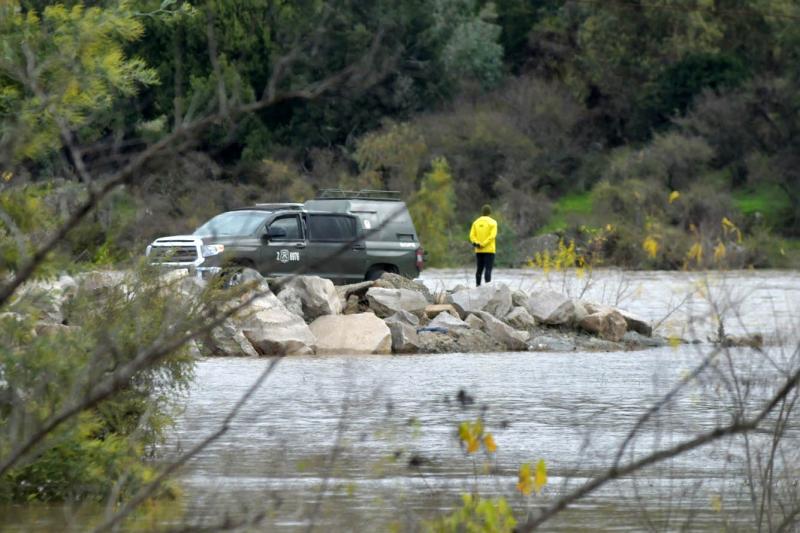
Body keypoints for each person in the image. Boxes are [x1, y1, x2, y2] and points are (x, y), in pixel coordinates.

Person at [469, 204, 497, 286]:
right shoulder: (493, 222)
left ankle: (478, 286)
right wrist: (484, 244)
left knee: (479, 270)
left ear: (482, 212)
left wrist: (477, 243)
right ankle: (487, 289)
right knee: (488, 270)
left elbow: (472, 236)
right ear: (490, 212)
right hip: (489, 250)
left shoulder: (476, 222)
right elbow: (492, 236)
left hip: (478, 250)